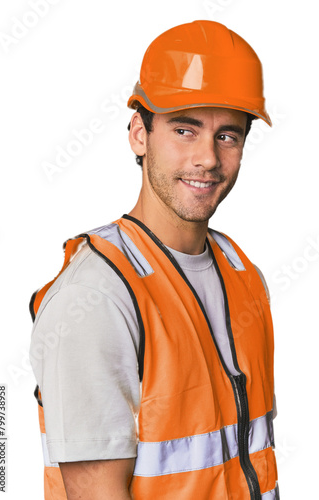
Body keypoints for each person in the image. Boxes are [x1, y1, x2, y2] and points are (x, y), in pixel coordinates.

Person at [29, 20, 279, 500]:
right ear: (139, 135)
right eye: (185, 129)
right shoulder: (97, 296)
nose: (207, 157)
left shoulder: (243, 274)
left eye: (228, 135)